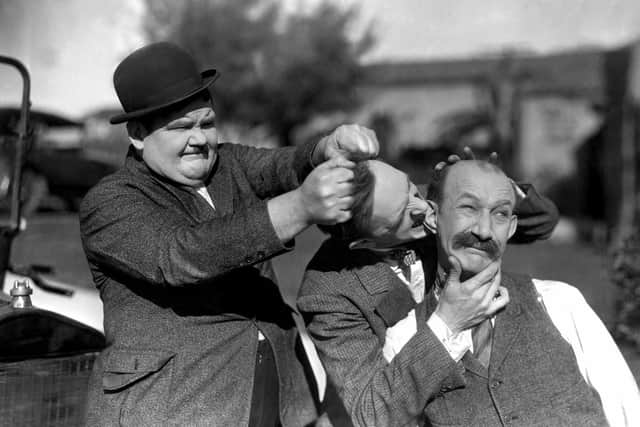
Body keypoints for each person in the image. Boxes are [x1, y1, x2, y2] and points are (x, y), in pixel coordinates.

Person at [79, 42, 379, 426]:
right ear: (137, 135)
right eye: (182, 127)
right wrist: (300, 207)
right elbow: (182, 255)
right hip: (174, 408)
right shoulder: (110, 202)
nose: (201, 139)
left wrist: (326, 147)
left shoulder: (228, 164)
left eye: (207, 123)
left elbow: (283, 166)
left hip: (276, 395)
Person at [298, 159, 639, 426]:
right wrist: (447, 324)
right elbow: (370, 414)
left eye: (413, 190)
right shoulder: (333, 295)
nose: (420, 206)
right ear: (368, 242)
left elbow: (539, 222)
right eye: (406, 212)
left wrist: (483, 180)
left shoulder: (558, 303)